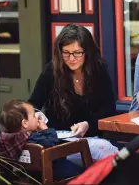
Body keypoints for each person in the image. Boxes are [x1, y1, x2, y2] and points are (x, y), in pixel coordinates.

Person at [29, 24, 118, 166]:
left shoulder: (98, 70)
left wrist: (88, 124)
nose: (71, 58)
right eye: (66, 52)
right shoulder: (51, 71)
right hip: (58, 143)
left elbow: (109, 109)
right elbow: (33, 104)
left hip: (92, 138)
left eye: (77, 53)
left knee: (110, 157)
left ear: (87, 52)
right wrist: (37, 114)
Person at [0, 100, 84, 179]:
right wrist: (46, 130)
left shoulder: (6, 139)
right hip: (51, 172)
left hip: (26, 175)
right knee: (82, 172)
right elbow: (54, 148)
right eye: (33, 116)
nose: (37, 117)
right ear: (24, 123)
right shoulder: (35, 138)